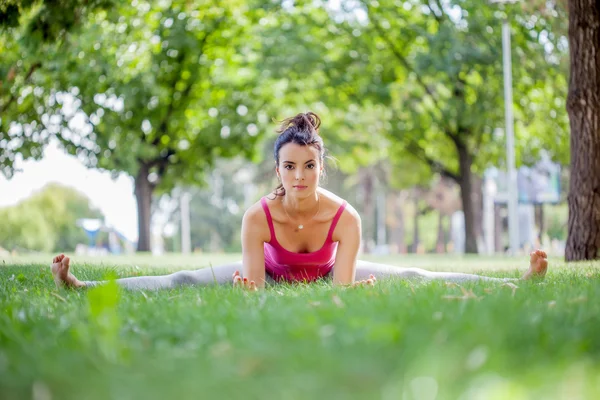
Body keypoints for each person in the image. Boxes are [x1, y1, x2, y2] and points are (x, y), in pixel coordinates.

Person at [50, 112, 549, 291]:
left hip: (327, 268)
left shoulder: (344, 216)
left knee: (417, 275)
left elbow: (342, 287)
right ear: (278, 171)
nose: (299, 176)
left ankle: (514, 281)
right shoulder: (258, 216)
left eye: (309, 166)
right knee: (183, 279)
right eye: (289, 167)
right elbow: (257, 286)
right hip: (274, 269)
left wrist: (351, 291)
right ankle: (82, 284)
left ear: (321, 167)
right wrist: (251, 293)